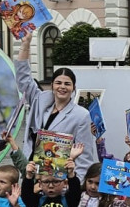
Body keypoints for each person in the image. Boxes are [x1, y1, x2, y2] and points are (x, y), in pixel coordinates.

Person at [14, 31, 96, 175]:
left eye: (67, 84)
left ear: (73, 88)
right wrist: (25, 44)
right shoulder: (39, 100)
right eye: (58, 83)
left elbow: (85, 154)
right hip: (31, 171)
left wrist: (78, 185)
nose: (62, 87)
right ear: (52, 85)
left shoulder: (81, 115)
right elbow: (23, 79)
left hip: (58, 178)